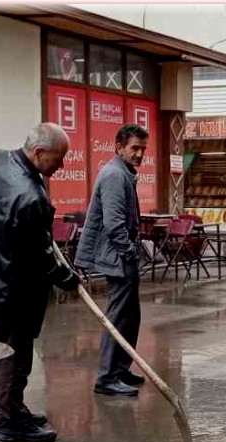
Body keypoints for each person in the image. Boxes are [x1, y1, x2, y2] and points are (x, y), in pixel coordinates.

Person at [0, 123, 81, 442]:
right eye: (59, 158)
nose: (62, 165)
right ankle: (9, 419)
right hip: (12, 289)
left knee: (1, 346)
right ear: (39, 152)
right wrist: (67, 277)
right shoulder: (30, 198)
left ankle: (9, 407)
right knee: (15, 354)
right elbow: (42, 259)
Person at [75, 124, 150, 398]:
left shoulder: (123, 173)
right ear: (119, 147)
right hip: (118, 258)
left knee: (130, 317)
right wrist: (131, 253)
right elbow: (114, 224)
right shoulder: (115, 175)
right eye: (134, 148)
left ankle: (119, 369)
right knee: (118, 318)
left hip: (121, 257)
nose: (140, 154)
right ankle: (107, 378)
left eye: (143, 149)